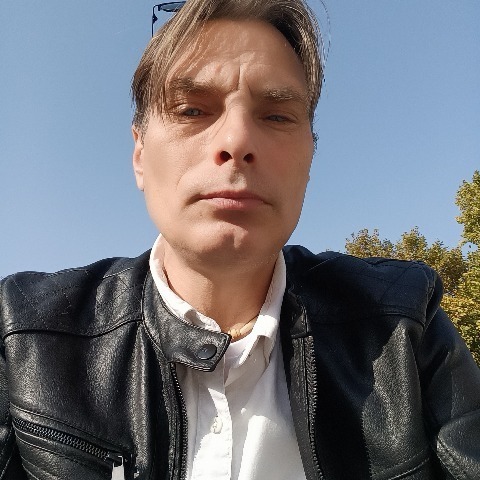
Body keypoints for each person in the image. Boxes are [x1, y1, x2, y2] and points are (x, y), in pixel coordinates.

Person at [1, 0, 479, 478]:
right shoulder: (24, 335)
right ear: (140, 154)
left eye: (276, 116)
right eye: (192, 109)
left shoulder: (404, 327)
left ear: (310, 158)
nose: (236, 140)